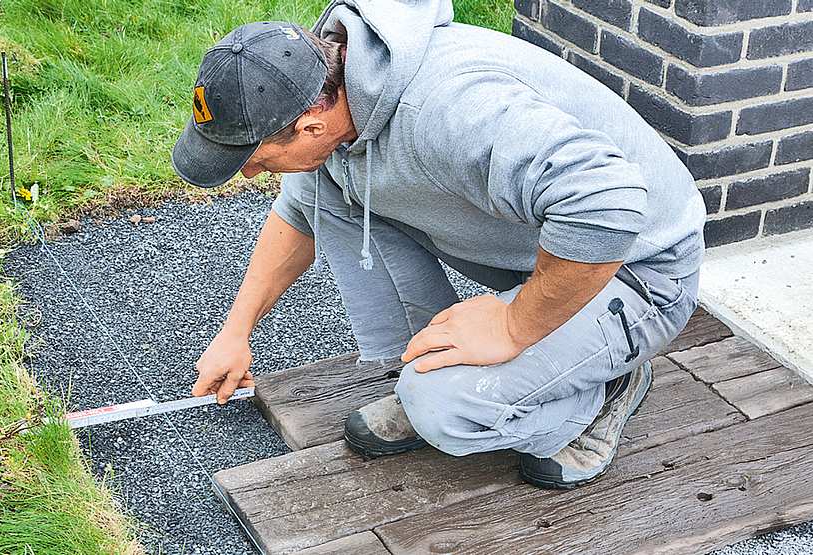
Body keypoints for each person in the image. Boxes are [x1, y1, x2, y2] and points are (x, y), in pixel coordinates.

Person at [170, 0, 706, 489]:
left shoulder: (448, 109)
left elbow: (606, 203)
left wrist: (514, 326)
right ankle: (428, 373)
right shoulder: (337, 94)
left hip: (639, 268)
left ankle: (602, 391)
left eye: (255, 160)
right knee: (326, 191)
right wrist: (236, 332)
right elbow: (299, 212)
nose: (249, 173)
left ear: (310, 125)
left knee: (445, 413)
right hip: (552, 249)